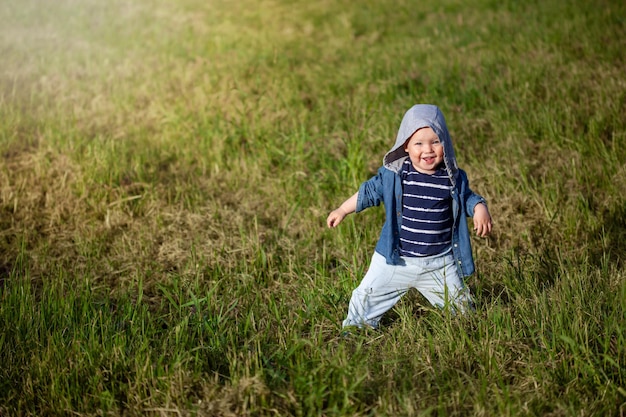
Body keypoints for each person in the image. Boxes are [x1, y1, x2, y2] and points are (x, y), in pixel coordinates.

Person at [327, 104, 492, 329]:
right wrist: (342, 210)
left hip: (439, 264)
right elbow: (368, 192)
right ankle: (355, 331)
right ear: (405, 145)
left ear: (445, 142)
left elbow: (467, 198)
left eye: (435, 141)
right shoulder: (396, 175)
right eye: (419, 143)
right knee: (365, 297)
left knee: (464, 312)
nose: (428, 149)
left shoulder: (451, 177)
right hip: (396, 260)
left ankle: (471, 330)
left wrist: (480, 207)